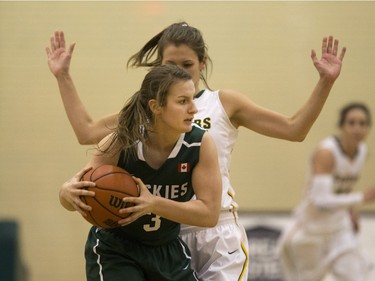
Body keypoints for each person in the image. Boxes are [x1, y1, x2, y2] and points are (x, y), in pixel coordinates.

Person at [46, 23, 346, 281]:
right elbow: (87, 132)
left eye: (186, 65)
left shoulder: (222, 103)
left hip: (214, 225)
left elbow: (294, 129)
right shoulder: (144, 113)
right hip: (163, 232)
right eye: (170, 64)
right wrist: (63, 77)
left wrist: (325, 83)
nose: (179, 70)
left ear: (202, 62)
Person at [59, 64, 222, 281]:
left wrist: (154, 203)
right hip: (116, 248)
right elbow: (77, 195)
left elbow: (209, 214)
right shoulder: (120, 142)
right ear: (156, 106)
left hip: (166, 248)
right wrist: (66, 193)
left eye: (193, 99)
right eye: (183, 101)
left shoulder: (200, 144)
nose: (194, 109)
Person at [277, 102, 375, 281]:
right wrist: (362, 198)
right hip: (310, 232)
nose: (357, 128)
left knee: (359, 277)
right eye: (352, 123)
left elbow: (344, 188)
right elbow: (320, 201)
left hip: (339, 230)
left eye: (363, 123)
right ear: (341, 126)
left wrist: (352, 212)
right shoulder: (326, 152)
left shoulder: (362, 152)